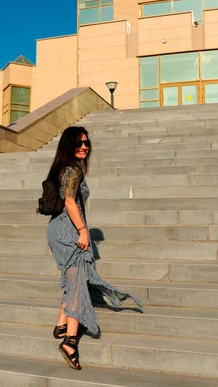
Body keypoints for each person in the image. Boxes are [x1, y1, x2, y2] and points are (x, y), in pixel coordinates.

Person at [46, 126, 143, 371]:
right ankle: (70, 342)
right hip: (69, 231)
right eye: (79, 143)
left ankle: (61, 324)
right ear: (68, 145)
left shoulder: (61, 168)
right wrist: (82, 230)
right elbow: (69, 200)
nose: (84, 147)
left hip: (56, 229)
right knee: (77, 281)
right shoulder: (74, 170)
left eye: (87, 143)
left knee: (73, 278)